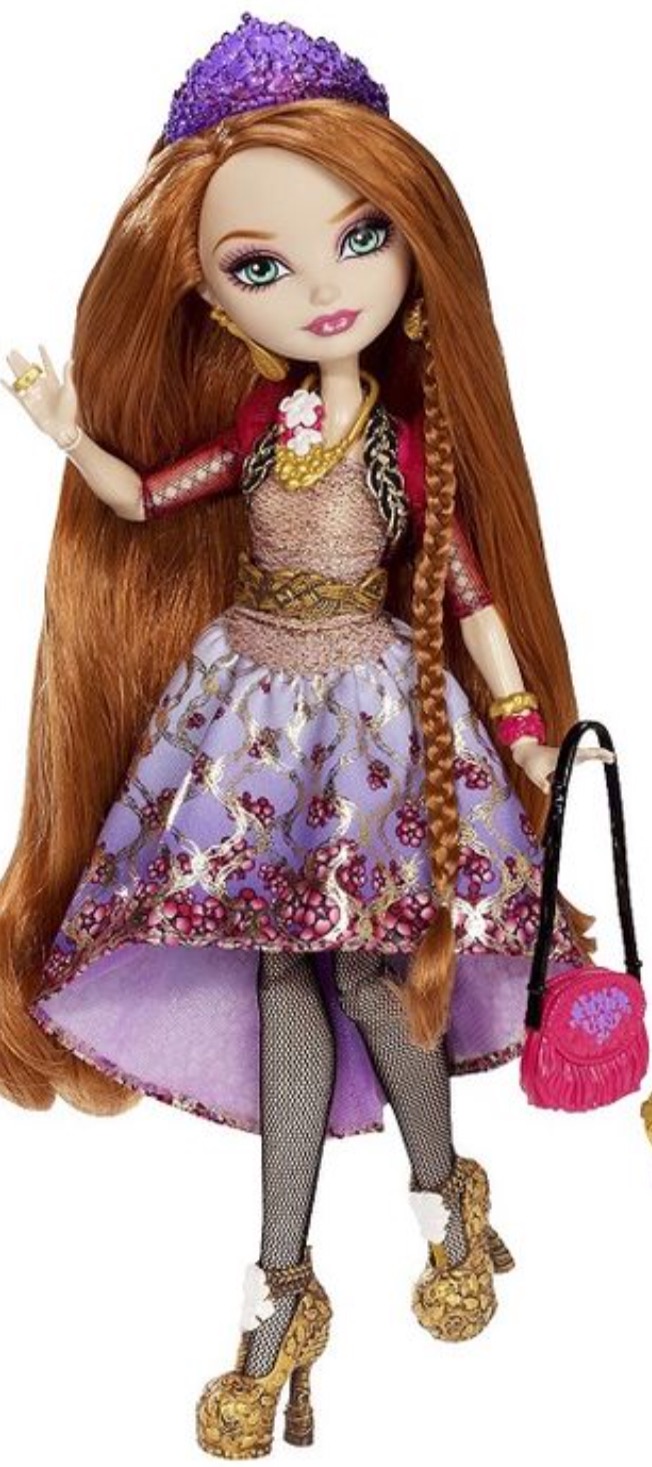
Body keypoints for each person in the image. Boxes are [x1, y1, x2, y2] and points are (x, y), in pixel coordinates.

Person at [0, 12, 612, 1459]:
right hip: (256, 716)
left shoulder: (402, 447)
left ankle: (438, 1187)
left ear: (413, 257)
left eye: (361, 238)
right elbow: (147, 498)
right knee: (289, 968)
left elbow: (465, 593)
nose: (322, 290)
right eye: (262, 266)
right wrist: (67, 431)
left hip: (377, 720)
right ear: (216, 300)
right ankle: (282, 1281)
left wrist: (527, 733)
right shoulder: (263, 434)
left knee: (377, 966)